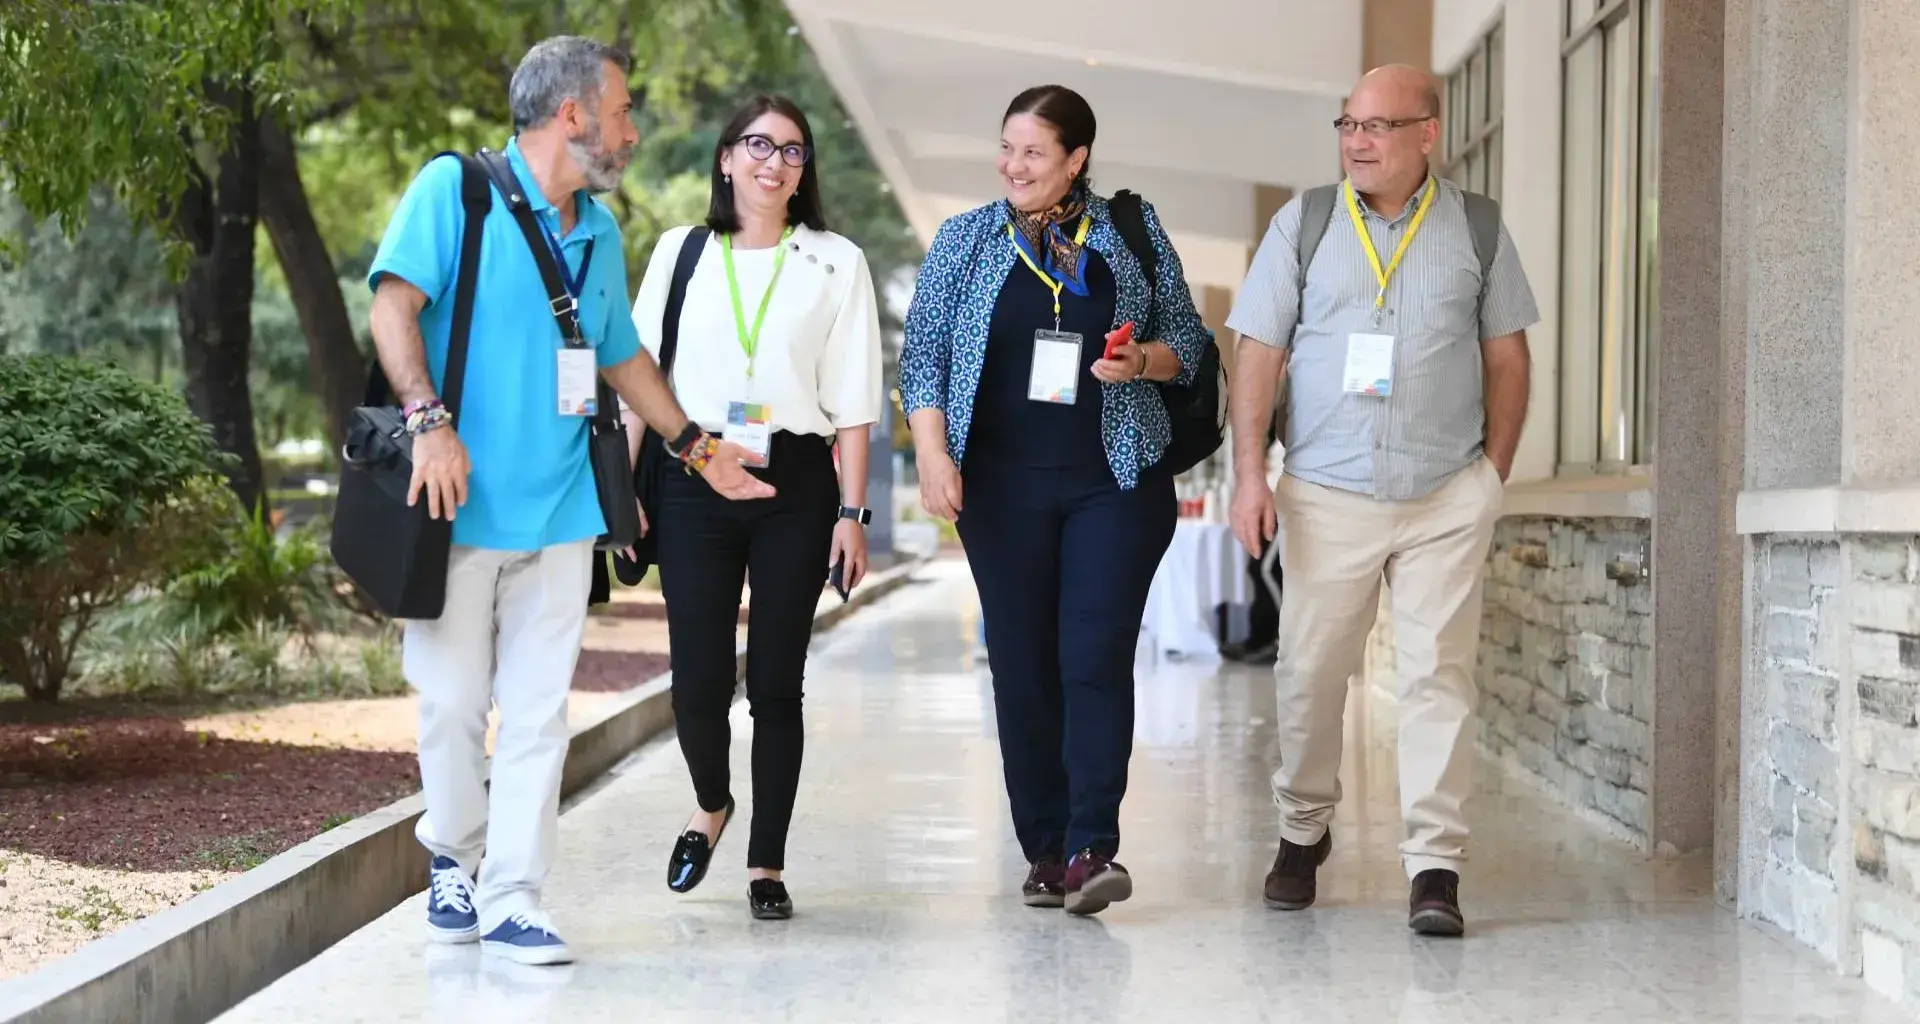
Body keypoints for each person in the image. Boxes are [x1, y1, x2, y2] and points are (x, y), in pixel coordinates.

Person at [367, 36, 770, 966]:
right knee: (454, 703)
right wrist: (428, 419)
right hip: (453, 503)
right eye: (623, 112)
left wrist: (698, 450)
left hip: (561, 513)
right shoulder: (454, 192)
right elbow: (393, 306)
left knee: (540, 713)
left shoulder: (598, 230)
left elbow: (622, 357)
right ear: (574, 115)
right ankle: (452, 861)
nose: (633, 131)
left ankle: (513, 893)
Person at [1225, 64, 1537, 937]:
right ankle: (1301, 828)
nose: (1357, 142)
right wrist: (1252, 474)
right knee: (1312, 672)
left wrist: (1491, 475)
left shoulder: (1475, 227)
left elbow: (1508, 358)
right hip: (1326, 490)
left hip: (1444, 493)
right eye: (1348, 125)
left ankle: (1435, 865)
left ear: (1427, 135)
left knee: (1439, 673)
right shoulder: (1306, 223)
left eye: (1378, 127)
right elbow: (1257, 351)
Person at [898, 84, 1213, 916]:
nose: (1014, 166)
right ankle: (1042, 847)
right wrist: (933, 455)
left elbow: (1188, 339)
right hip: (999, 493)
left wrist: (1139, 361)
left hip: (1114, 480)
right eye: (1006, 148)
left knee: (1092, 658)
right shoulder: (966, 240)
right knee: (1024, 666)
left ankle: (1089, 846)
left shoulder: (1130, 234)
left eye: (1034, 152)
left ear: (1077, 159)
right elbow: (922, 358)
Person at [625, 94, 883, 921]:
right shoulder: (681, 251)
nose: (776, 163)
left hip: (796, 487)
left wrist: (853, 513)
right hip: (693, 477)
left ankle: (765, 866)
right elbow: (639, 377)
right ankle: (711, 804)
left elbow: (852, 403)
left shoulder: (837, 261)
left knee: (777, 683)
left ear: (805, 171)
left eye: (794, 151)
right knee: (695, 681)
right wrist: (624, 493)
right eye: (759, 145)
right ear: (727, 158)